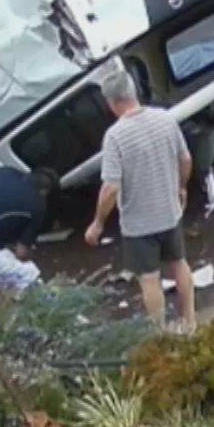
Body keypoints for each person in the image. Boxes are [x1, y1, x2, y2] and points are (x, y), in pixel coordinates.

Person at [85, 69, 196, 332]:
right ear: (134, 91)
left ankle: (159, 332)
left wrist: (98, 223)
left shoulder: (115, 136)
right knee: (179, 263)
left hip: (139, 224)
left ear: (112, 102)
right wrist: (181, 187)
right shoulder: (165, 119)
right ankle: (190, 321)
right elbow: (185, 158)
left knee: (149, 278)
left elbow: (110, 187)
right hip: (169, 212)